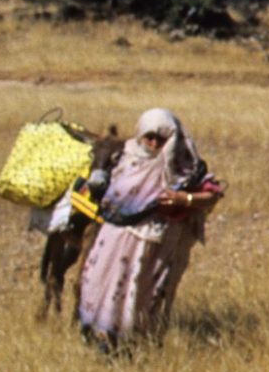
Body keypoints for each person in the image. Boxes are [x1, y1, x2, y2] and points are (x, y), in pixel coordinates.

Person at [76, 109, 223, 350]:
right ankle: (103, 338)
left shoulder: (184, 164)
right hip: (114, 239)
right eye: (150, 136)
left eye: (162, 138)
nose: (155, 143)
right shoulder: (122, 156)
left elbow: (212, 194)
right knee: (102, 285)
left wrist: (182, 199)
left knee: (142, 293)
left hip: (155, 244)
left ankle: (136, 345)